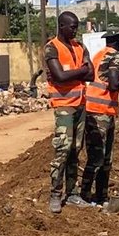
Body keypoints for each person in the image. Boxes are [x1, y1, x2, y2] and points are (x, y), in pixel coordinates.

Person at [81, 30, 119, 206]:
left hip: (93, 109)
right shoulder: (116, 57)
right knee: (101, 157)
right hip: (101, 112)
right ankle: (89, 195)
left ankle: (100, 196)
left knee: (99, 156)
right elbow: (114, 85)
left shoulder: (99, 55)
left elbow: (106, 80)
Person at [44, 12, 93, 213]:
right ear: (61, 26)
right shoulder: (51, 47)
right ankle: (55, 194)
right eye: (72, 27)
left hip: (80, 104)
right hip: (63, 105)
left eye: (76, 27)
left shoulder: (80, 47)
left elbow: (91, 73)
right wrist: (80, 71)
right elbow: (59, 76)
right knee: (63, 149)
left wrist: (79, 72)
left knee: (75, 149)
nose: (75, 30)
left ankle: (72, 193)